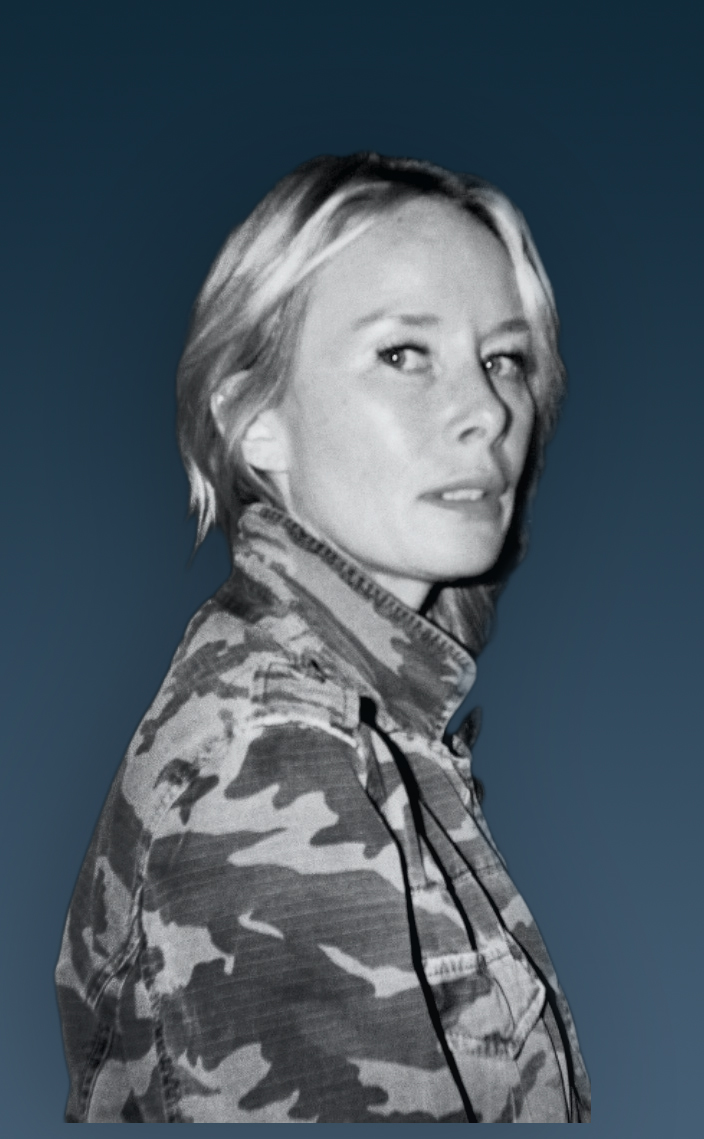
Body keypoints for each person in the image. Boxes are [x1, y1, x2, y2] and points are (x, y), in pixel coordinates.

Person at [55, 152, 592, 1123]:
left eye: (503, 359)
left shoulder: (361, 729)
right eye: (403, 353)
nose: (486, 412)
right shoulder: (274, 751)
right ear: (253, 419)